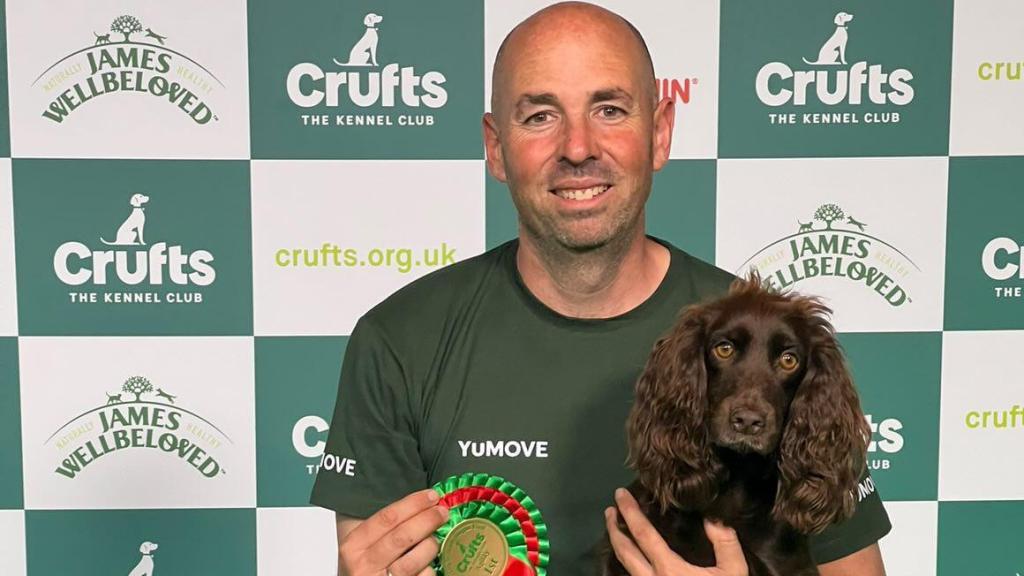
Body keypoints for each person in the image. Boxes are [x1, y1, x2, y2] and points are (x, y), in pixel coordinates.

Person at [310, 3, 891, 575]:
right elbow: (372, 564)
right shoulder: (399, 341)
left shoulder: (767, 339)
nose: (579, 147)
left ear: (660, 133)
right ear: (495, 148)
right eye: (540, 116)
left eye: (610, 109)